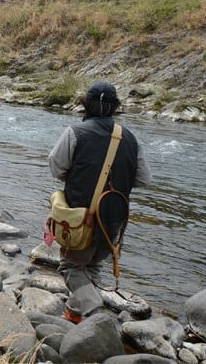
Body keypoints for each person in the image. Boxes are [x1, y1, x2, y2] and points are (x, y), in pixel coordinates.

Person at [48, 81, 151, 323]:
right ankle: (74, 314)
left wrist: (80, 178)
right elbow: (144, 180)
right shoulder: (132, 139)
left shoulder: (75, 132)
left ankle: (93, 310)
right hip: (114, 218)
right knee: (92, 265)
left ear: (86, 105)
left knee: (71, 267)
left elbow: (56, 167)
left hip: (80, 216)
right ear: (115, 107)